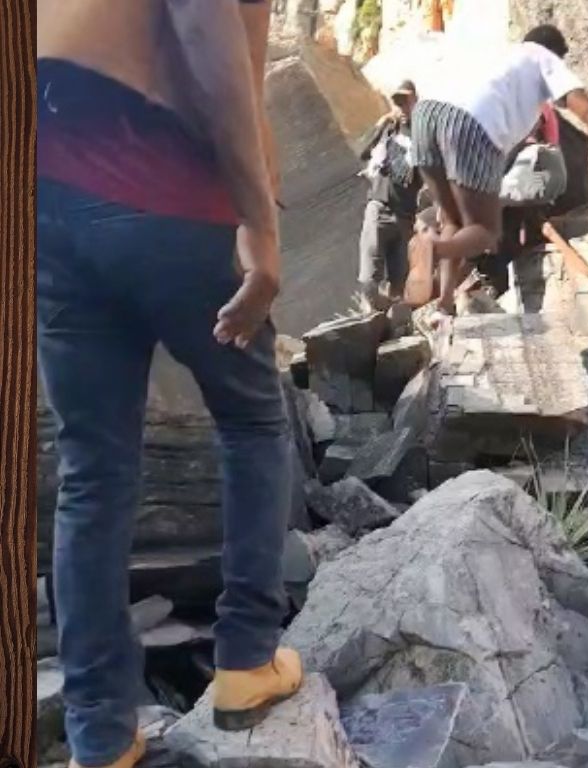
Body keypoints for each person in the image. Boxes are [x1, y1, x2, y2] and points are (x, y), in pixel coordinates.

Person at [37, 1, 301, 765]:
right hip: (172, 200)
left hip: (55, 204)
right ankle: (248, 658)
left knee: (93, 469)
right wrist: (261, 224)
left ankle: (100, 735)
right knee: (252, 421)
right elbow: (201, 25)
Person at [408, 24, 588, 317]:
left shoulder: (500, 58)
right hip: (467, 123)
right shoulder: (544, 60)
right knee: (484, 230)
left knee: (453, 221)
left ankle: (444, 307)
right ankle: (434, 250)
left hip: (425, 115)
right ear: (556, 54)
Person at [357, 80, 423, 311]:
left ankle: (394, 331)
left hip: (406, 216)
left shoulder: (423, 134)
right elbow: (363, 152)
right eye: (397, 102)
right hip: (380, 208)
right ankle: (369, 319)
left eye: (406, 101)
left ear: (416, 100)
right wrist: (380, 124)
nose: (402, 107)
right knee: (368, 279)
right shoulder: (389, 129)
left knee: (400, 286)